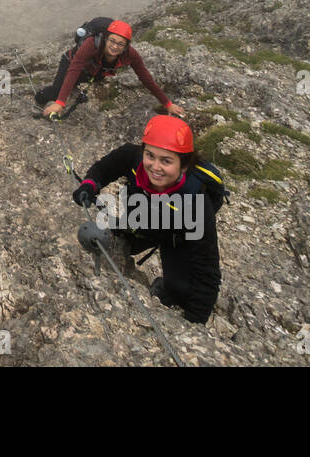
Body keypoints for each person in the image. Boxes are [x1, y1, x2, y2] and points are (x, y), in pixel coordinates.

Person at [72, 115, 222, 324]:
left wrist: (194, 326)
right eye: (150, 155)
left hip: (176, 234)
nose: (155, 166)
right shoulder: (133, 158)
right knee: (96, 238)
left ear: (184, 165)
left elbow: (208, 272)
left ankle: (168, 291)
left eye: (166, 160)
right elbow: (105, 168)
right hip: (140, 223)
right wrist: (89, 185)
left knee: (180, 289)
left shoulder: (195, 204)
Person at [35, 19, 184, 119]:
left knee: (73, 87)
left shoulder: (131, 54)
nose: (115, 46)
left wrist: (167, 103)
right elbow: (75, 68)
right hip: (71, 62)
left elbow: (146, 79)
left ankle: (69, 91)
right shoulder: (91, 43)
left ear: (126, 46)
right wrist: (61, 102)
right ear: (106, 38)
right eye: (112, 41)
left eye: (120, 44)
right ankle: (39, 97)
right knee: (57, 91)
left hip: (94, 71)